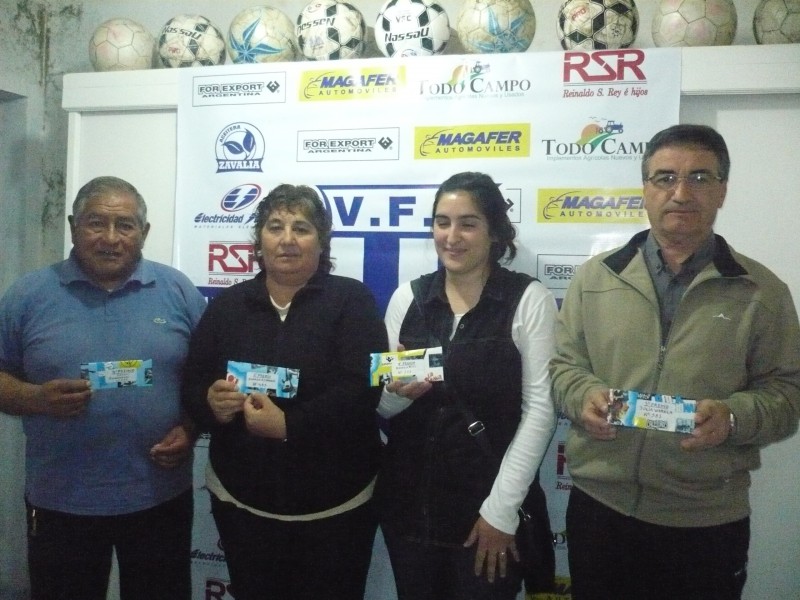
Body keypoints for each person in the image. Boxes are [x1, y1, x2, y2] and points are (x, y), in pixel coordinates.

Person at [550, 124, 800, 600]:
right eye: (665, 178)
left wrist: (732, 417)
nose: (681, 193)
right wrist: (582, 396)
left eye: (700, 178)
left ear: (722, 190)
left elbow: (788, 394)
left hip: (705, 522)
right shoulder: (594, 278)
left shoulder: (762, 292)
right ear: (645, 189)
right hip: (600, 511)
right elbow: (563, 367)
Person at [0, 176, 206, 600]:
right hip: (61, 502)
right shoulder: (27, 295)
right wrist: (34, 398)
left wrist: (190, 427)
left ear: (144, 232)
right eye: (96, 223)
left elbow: (205, 376)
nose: (110, 238)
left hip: (159, 498)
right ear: (73, 226)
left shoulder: (178, 290)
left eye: (125, 225)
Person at [181, 184, 388, 600]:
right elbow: (193, 382)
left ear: (322, 241)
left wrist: (289, 424)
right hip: (242, 505)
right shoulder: (226, 306)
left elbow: (362, 390)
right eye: (275, 227)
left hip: (338, 508)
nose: (287, 239)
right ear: (259, 240)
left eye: (301, 228)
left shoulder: (352, 301)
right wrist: (211, 404)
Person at [377, 172, 557, 599]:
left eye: (468, 224)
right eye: (442, 222)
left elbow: (541, 410)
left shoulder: (528, 299)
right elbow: (382, 406)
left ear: (494, 232)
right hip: (409, 512)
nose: (452, 236)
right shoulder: (408, 298)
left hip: (487, 517)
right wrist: (398, 395)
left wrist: (501, 512)